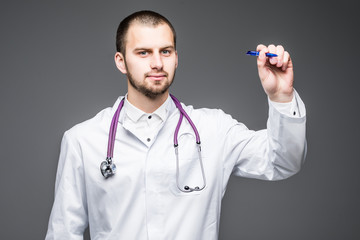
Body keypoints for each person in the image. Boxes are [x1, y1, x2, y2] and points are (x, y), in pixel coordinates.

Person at [45, 10, 306, 240]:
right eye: (143, 52)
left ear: (176, 58)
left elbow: (283, 161)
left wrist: (281, 96)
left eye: (165, 51)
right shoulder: (82, 140)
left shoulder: (215, 129)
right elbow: (63, 234)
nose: (157, 63)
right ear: (121, 61)